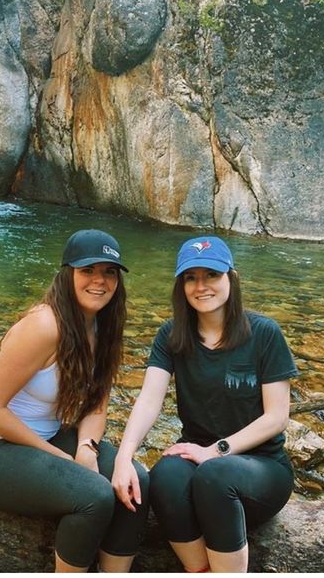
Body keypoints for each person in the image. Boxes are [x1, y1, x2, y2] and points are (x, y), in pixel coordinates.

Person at [0, 229, 149, 572]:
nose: (99, 281)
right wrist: (62, 457)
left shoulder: (103, 324)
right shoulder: (44, 326)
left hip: (41, 437)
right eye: (88, 270)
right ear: (67, 274)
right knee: (94, 495)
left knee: (136, 480)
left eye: (109, 272)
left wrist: (86, 449)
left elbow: (96, 405)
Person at [112, 235, 298, 573]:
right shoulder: (172, 335)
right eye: (191, 277)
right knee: (165, 475)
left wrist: (215, 450)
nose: (201, 286)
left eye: (211, 275)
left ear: (232, 278)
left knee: (215, 474)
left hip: (263, 469)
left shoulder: (264, 333)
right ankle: (200, 569)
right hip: (199, 463)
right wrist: (124, 458)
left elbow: (276, 417)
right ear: (181, 285)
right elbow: (150, 399)